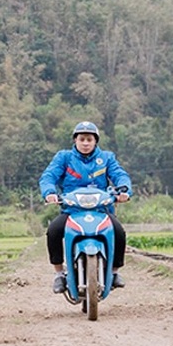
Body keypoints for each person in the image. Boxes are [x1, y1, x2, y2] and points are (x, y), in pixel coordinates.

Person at [39, 121, 131, 294]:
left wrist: (124, 190)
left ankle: (115, 272)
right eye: (82, 139)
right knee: (53, 231)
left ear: (96, 141)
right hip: (72, 211)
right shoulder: (64, 158)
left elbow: (120, 175)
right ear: (75, 140)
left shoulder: (106, 158)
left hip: (101, 211)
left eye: (89, 139)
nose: (86, 143)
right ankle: (59, 274)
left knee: (119, 232)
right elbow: (49, 176)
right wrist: (49, 192)